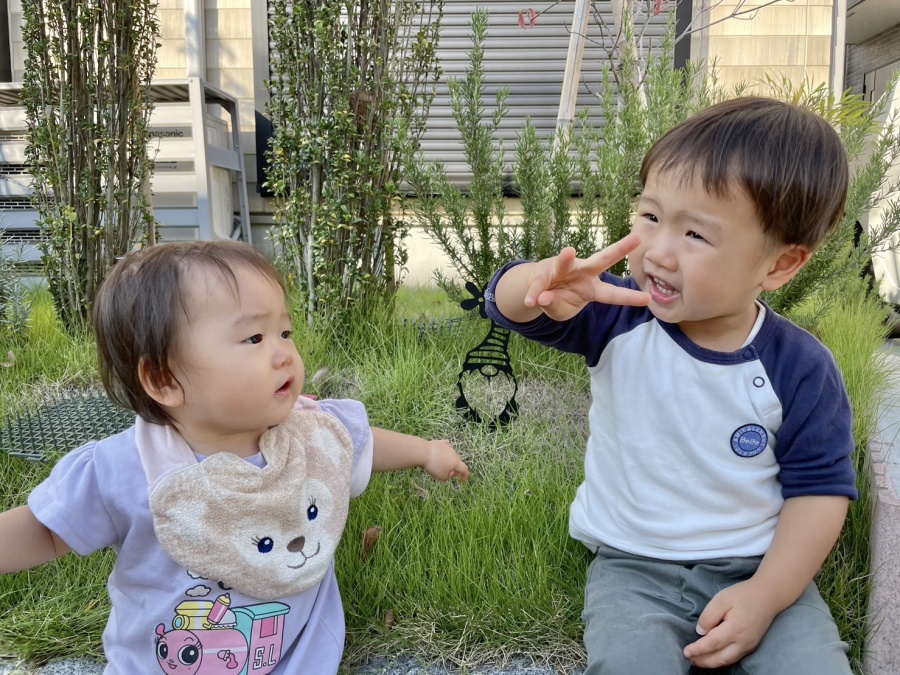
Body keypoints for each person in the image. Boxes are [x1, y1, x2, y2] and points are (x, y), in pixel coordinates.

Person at [485, 97, 856, 674]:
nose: (659, 252)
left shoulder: (800, 367)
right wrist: (539, 283)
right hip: (633, 568)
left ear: (780, 265)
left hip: (758, 566)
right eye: (651, 217)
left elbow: (820, 492)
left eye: (696, 235)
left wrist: (766, 597)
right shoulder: (617, 316)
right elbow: (507, 305)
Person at [0, 239, 469, 674]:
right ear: (164, 380)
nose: (285, 354)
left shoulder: (309, 434)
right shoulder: (126, 469)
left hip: (299, 660)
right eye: (254, 339)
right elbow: (46, 530)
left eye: (285, 331)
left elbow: (356, 445)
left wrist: (425, 451)